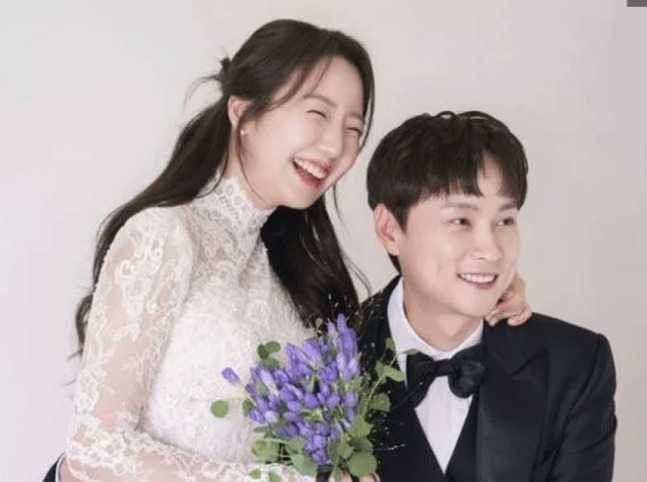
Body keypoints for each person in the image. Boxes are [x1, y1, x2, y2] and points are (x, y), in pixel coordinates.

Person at [44, 20, 530, 482]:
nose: (335, 146)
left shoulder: (291, 271)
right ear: (243, 113)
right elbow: (92, 450)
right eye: (317, 114)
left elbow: (371, 347)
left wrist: (476, 295)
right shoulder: (165, 236)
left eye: (353, 129)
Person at [360, 111, 617, 481]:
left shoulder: (575, 367)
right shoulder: (323, 361)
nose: (492, 249)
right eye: (461, 221)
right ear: (389, 229)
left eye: (505, 221)